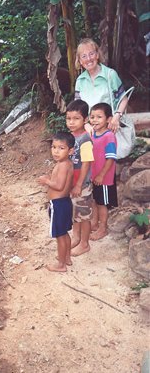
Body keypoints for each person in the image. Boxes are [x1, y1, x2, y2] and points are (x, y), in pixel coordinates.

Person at [37, 132, 75, 272]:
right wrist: (50, 179)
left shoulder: (62, 165)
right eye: (54, 147)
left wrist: (46, 181)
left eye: (61, 148)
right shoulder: (67, 163)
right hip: (65, 202)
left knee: (60, 235)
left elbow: (58, 186)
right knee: (64, 233)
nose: (56, 151)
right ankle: (67, 258)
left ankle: (61, 265)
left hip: (58, 205)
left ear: (70, 150)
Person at [74, 38, 128, 134]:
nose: (89, 59)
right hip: (90, 130)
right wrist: (86, 124)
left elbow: (124, 99)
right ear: (80, 61)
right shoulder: (80, 81)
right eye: (84, 56)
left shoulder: (110, 75)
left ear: (97, 55)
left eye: (91, 54)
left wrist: (117, 116)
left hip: (110, 127)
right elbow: (78, 108)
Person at [66, 99, 94, 257]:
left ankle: (84, 244)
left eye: (76, 118)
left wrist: (78, 185)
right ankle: (76, 238)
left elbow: (86, 164)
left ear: (85, 119)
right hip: (72, 184)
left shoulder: (85, 140)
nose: (71, 122)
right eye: (68, 118)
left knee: (84, 215)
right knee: (75, 212)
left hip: (82, 185)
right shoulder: (70, 137)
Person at [89, 102, 118, 240]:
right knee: (95, 200)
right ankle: (94, 223)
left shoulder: (109, 137)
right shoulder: (93, 134)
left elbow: (110, 159)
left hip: (104, 178)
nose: (94, 120)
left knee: (102, 203)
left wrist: (101, 175)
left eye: (99, 117)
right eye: (92, 116)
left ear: (108, 119)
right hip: (93, 176)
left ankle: (103, 228)